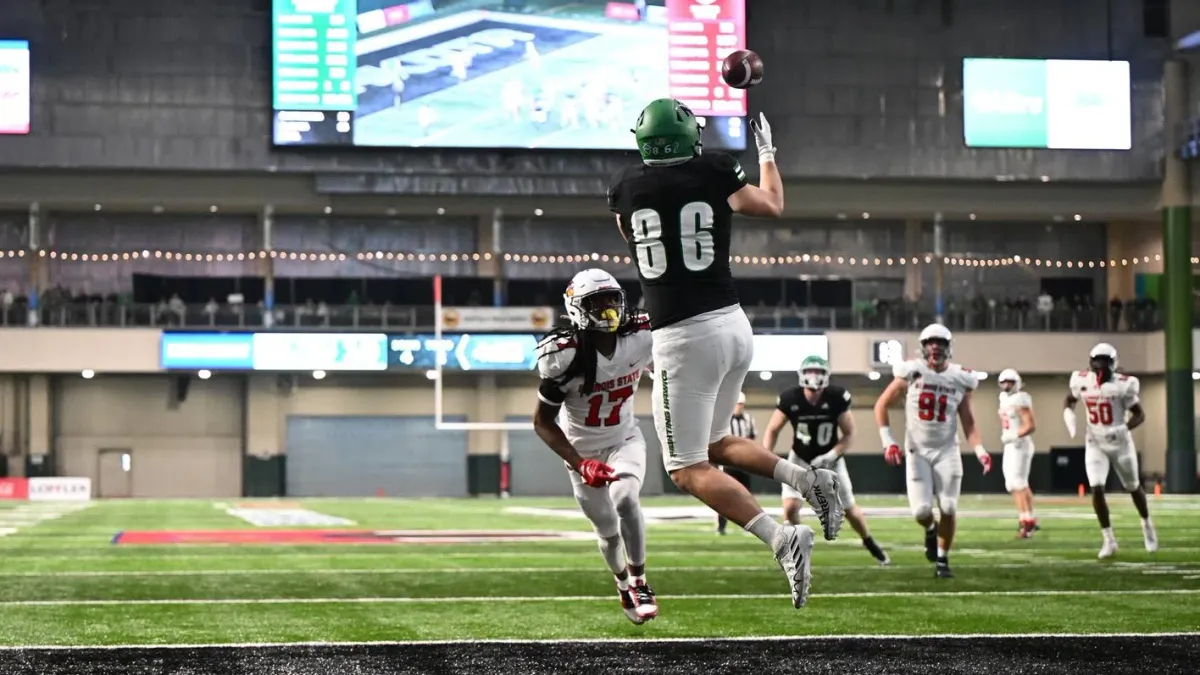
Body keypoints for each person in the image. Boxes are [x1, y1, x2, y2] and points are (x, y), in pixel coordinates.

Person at [607, 97, 844, 609]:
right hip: (733, 324)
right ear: (690, 135)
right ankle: (808, 479)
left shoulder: (624, 187)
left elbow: (631, 232)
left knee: (685, 468)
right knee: (714, 444)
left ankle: (782, 540)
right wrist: (768, 154)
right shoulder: (714, 167)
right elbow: (771, 205)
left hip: (682, 336)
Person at [532, 268, 658, 624]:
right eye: (596, 302)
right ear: (576, 309)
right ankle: (622, 586)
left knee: (626, 499)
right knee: (606, 532)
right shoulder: (565, 356)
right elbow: (542, 421)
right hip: (581, 452)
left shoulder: (641, 337)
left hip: (624, 438)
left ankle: (640, 580)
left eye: (611, 299)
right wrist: (580, 462)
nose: (607, 309)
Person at [873, 323, 991, 579]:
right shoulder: (911, 371)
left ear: (949, 347)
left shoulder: (960, 377)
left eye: (940, 342)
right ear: (923, 347)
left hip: (947, 450)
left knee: (949, 506)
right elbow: (881, 405)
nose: (935, 347)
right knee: (921, 512)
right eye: (930, 343)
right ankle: (930, 529)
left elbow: (968, 420)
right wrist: (888, 440)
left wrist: (980, 449)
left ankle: (942, 559)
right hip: (917, 450)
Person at [763, 355, 890, 565]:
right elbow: (772, 429)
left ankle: (869, 542)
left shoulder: (836, 397)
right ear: (802, 375)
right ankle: (798, 551)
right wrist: (766, 455)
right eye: (810, 371)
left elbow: (849, 434)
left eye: (819, 372)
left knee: (849, 509)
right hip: (799, 459)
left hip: (831, 461)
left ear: (827, 375)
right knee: (791, 508)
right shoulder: (790, 398)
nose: (814, 376)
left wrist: (831, 455)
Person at [1063, 343, 1157, 559]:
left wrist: (1122, 429)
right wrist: (1069, 417)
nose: (1101, 366)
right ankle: (1109, 539)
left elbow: (1139, 415)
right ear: (1091, 362)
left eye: (1105, 361)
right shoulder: (1081, 380)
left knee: (1133, 487)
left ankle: (1146, 524)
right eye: (1098, 361)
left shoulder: (1125, 385)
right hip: (1095, 442)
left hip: (1120, 443)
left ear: (1113, 363)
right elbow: (1069, 400)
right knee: (1096, 488)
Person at [996, 368, 1038, 538]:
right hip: (1011, 445)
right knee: (1014, 484)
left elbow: (1030, 425)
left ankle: (1026, 522)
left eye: (1010, 382)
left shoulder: (1021, 398)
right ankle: (1030, 518)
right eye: (1004, 382)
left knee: (1017, 483)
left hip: (1020, 444)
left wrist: (1013, 435)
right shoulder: (1003, 398)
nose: (1006, 386)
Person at [716, 392, 755, 535]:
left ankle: (748, 526)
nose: (738, 407)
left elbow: (751, 440)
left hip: (743, 463)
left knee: (746, 496)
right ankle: (721, 527)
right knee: (724, 496)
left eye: (740, 404)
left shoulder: (749, 420)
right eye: (737, 404)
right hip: (727, 464)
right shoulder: (723, 420)